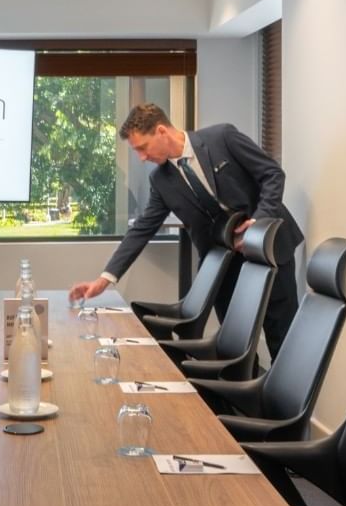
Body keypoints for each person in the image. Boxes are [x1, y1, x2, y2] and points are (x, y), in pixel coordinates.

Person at [68, 104, 305, 357]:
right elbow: (142, 230)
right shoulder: (160, 181)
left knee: (282, 337)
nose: (142, 157)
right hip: (225, 264)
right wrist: (104, 280)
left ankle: (284, 396)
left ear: (161, 131)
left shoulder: (222, 138)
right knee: (236, 348)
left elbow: (272, 174)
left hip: (270, 249)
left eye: (142, 147)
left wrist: (259, 223)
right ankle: (241, 396)